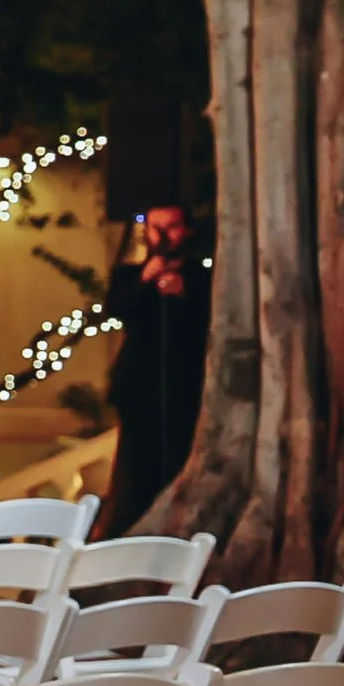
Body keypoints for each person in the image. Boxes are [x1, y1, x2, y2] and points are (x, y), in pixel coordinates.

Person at [98, 203, 210, 536]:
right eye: (155, 227)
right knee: (136, 468)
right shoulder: (129, 275)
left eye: (171, 227)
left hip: (185, 385)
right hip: (139, 387)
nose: (162, 235)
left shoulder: (201, 277)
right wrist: (146, 280)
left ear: (186, 231)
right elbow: (115, 310)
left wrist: (184, 293)